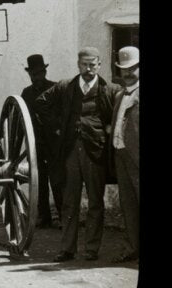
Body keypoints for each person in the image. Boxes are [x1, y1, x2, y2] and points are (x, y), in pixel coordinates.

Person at [34, 47, 116, 262]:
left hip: (95, 152)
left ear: (99, 65)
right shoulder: (65, 87)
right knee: (69, 201)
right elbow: (41, 103)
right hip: (70, 151)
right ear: (78, 65)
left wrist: (107, 128)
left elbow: (116, 115)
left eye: (92, 65)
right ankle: (67, 248)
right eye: (84, 65)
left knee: (96, 202)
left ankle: (91, 249)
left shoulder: (109, 90)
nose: (88, 69)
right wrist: (58, 124)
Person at [20, 54, 64, 228]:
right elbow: (22, 119)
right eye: (33, 74)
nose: (36, 77)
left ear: (44, 71)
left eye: (39, 73)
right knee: (38, 181)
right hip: (35, 144)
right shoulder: (26, 93)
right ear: (29, 74)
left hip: (54, 143)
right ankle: (44, 216)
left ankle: (62, 215)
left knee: (57, 181)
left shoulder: (55, 89)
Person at [111, 46, 140, 262]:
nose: (128, 73)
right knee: (128, 205)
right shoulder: (120, 94)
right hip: (121, 156)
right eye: (124, 70)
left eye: (133, 68)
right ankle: (132, 248)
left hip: (138, 157)